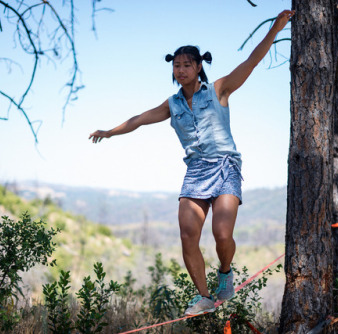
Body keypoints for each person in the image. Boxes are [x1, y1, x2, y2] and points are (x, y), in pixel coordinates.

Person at [89, 10, 294, 316]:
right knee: (188, 236)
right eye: (176, 66)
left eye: (187, 65)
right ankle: (204, 298)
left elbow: (251, 61)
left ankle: (225, 273)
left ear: (199, 67)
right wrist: (109, 132)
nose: (181, 70)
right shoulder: (171, 104)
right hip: (196, 172)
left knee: (222, 234)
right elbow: (139, 120)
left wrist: (276, 28)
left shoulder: (218, 90)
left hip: (225, 166)